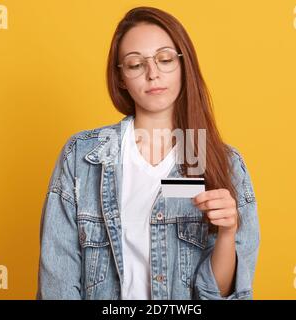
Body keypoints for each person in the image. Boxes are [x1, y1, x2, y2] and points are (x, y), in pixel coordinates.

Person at [36, 6, 260, 300]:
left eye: (165, 59)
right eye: (135, 64)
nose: (153, 73)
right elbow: (58, 282)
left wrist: (228, 233)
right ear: (120, 78)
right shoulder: (82, 157)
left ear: (184, 65)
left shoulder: (225, 165)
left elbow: (217, 294)